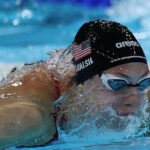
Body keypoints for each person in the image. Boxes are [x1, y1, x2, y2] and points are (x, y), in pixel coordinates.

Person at [0, 20, 150, 148]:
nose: (134, 99)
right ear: (82, 82)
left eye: (144, 82)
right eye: (118, 84)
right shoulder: (26, 118)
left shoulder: (144, 102)